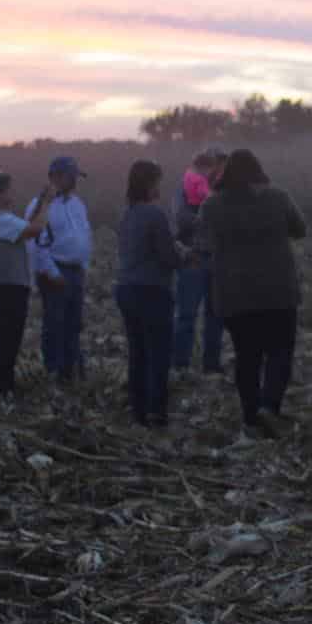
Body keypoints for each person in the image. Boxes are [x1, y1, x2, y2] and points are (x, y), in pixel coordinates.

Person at [199, 149, 306, 436]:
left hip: (235, 296)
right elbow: (300, 229)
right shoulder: (279, 197)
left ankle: (250, 415)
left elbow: (203, 242)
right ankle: (269, 407)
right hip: (279, 292)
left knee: (247, 356)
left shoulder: (212, 205)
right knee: (280, 352)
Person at [116, 159, 185, 426]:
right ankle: (157, 411)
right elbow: (167, 255)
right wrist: (185, 256)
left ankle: (138, 409)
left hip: (126, 289)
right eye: (157, 181)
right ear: (150, 183)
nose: (160, 186)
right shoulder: (155, 214)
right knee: (158, 353)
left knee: (138, 352)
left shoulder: (127, 213)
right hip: (152, 291)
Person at [0, 172, 56, 396]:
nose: (13, 193)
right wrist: (47, 202)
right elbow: (35, 230)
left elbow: (26, 226)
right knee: (7, 340)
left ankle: (1, 386)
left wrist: (39, 202)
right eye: (9, 189)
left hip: (4, 285)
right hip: (7, 286)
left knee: (6, 338)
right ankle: (1, 388)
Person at [26, 155, 93, 382]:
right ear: (54, 177)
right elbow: (36, 243)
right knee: (54, 323)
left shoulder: (77, 204)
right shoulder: (39, 206)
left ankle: (71, 369)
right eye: (70, 176)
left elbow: (85, 234)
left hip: (75, 271)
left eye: (76, 176)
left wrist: (84, 265)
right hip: (54, 271)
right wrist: (51, 272)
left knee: (74, 324)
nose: (74, 181)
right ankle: (53, 371)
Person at [172, 146, 227, 374]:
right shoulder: (187, 189)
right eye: (216, 165)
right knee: (187, 315)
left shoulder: (225, 192)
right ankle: (180, 364)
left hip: (219, 259)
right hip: (193, 259)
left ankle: (211, 365)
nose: (219, 170)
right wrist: (207, 213)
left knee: (216, 316)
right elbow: (182, 219)